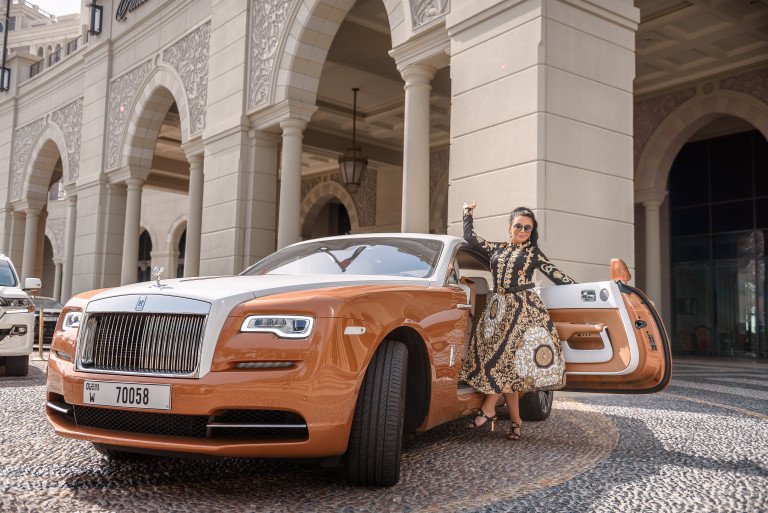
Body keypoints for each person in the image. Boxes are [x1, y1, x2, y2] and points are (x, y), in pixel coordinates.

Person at [460, 202, 575, 440]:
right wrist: (467, 212)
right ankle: (516, 422)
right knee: (507, 366)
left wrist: (584, 292)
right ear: (509, 227)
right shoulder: (496, 249)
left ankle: (489, 408)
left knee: (506, 359)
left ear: (532, 232)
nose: (522, 231)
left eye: (528, 228)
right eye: (518, 226)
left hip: (523, 309)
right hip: (496, 311)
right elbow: (470, 239)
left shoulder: (532, 252)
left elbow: (555, 274)